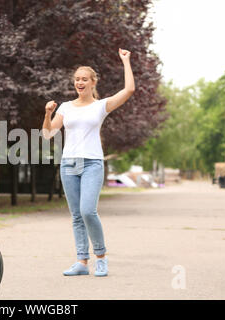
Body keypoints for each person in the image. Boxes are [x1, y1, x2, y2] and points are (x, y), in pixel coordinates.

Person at [42, 48, 135, 277]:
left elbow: (130, 89)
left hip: (92, 163)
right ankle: (82, 262)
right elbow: (48, 134)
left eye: (84, 79)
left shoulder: (100, 106)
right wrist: (47, 113)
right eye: (76, 79)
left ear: (93, 82)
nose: (79, 82)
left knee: (87, 211)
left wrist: (126, 61)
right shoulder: (65, 107)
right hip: (68, 165)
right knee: (76, 215)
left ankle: (101, 258)